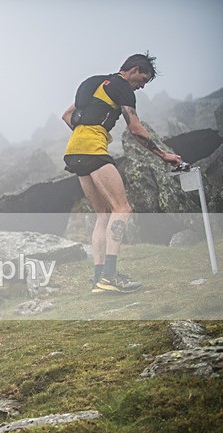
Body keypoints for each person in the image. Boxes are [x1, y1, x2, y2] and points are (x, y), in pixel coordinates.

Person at [61, 52, 182, 293]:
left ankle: (99, 279)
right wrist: (164, 154)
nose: (141, 87)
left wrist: (85, 132)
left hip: (74, 149)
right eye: (142, 81)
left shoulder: (91, 81)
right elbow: (135, 128)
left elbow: (66, 115)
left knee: (102, 215)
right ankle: (109, 276)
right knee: (122, 209)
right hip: (93, 148)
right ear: (135, 70)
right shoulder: (122, 86)